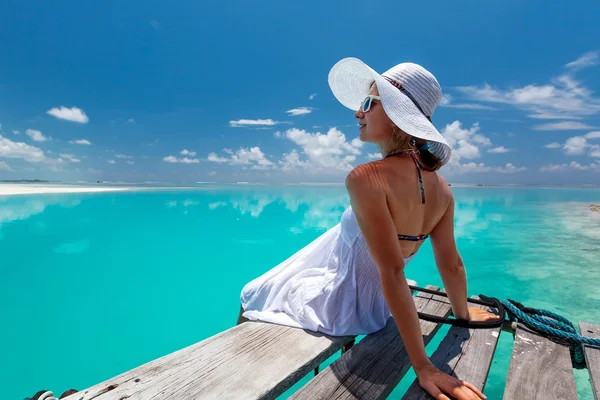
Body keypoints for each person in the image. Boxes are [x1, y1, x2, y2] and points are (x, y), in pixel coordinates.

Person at [238, 57, 499, 400]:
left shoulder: (366, 178)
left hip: (342, 307)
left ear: (395, 114)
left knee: (250, 294)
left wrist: (424, 367)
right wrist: (463, 313)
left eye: (368, 104)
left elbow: (391, 272)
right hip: (375, 307)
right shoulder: (443, 188)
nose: (357, 113)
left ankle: (243, 385)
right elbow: (451, 264)